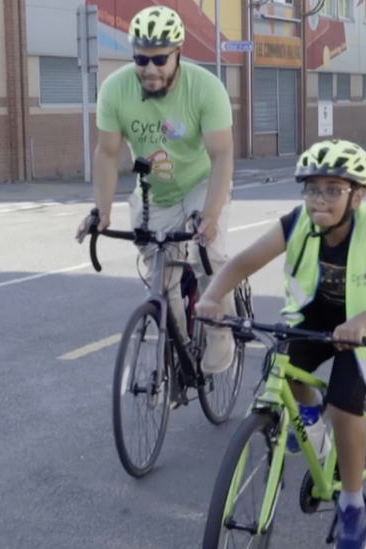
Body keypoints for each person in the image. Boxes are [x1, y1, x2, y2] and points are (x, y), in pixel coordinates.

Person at [196, 139, 366, 549]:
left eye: (333, 190)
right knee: (282, 367)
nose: (320, 199)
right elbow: (243, 262)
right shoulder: (297, 222)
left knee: (346, 404)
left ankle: (352, 507)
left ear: (357, 196)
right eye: (313, 189)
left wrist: (359, 322)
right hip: (315, 317)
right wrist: (211, 297)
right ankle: (311, 422)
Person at [74, 5, 237, 391]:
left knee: (207, 254)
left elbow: (222, 155)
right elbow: (108, 153)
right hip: (154, 194)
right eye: (141, 59)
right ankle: (177, 347)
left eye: (160, 59)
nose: (150, 69)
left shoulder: (205, 87)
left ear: (178, 52)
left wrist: (210, 216)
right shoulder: (115, 89)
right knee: (160, 280)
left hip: (200, 181)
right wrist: (102, 209)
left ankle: (218, 331)